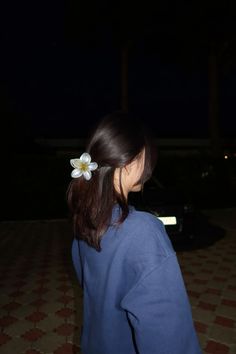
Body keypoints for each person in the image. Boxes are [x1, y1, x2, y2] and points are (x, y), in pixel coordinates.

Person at [67, 111, 202, 354]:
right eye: (147, 156)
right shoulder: (143, 231)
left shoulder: (85, 220)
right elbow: (167, 335)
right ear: (131, 159)